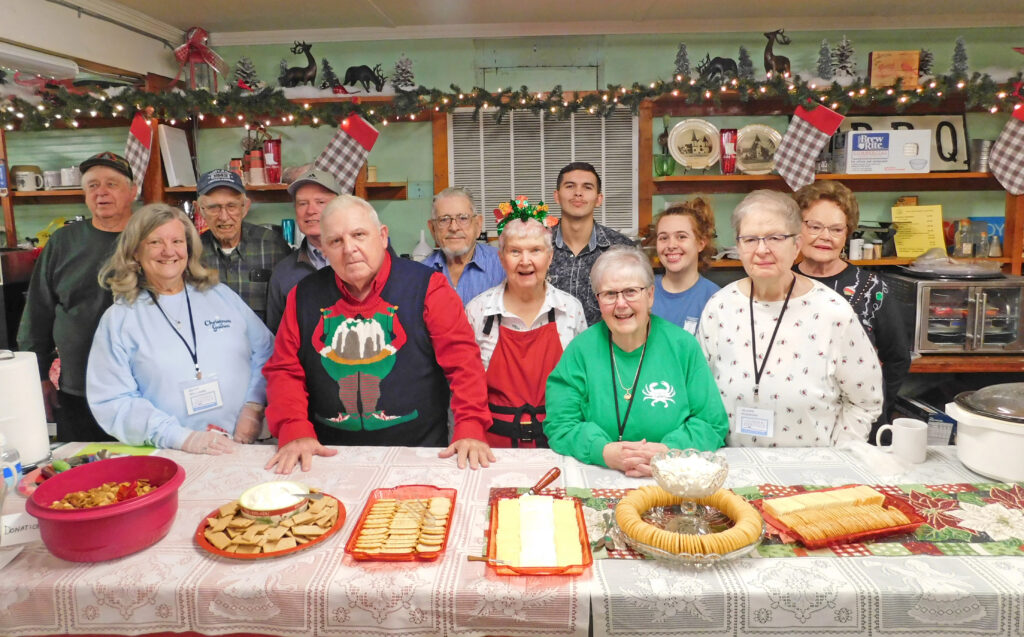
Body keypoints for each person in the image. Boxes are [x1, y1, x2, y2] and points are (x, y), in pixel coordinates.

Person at [263, 194, 495, 473]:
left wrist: (470, 427)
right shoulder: (302, 296)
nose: (349, 249)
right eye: (336, 241)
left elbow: (464, 365)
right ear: (324, 248)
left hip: (420, 457)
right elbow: (284, 370)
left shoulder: (429, 287)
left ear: (383, 236)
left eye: (359, 235)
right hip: (328, 460)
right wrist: (294, 429)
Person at [697, 190, 883, 447]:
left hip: (812, 474)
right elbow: (698, 394)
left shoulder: (833, 313)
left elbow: (865, 401)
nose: (762, 250)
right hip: (731, 465)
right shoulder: (719, 307)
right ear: (738, 247)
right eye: (750, 239)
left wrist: (838, 458)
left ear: (796, 244)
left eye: (775, 238)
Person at [87, 204, 274, 454]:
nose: (168, 251)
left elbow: (267, 351)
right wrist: (181, 438)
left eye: (177, 240)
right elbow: (113, 401)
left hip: (246, 443)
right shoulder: (120, 319)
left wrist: (254, 406)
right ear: (134, 253)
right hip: (174, 453)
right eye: (155, 242)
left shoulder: (220, 296)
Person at [544, 245, 729, 477]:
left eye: (631, 291)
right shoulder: (580, 350)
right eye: (610, 294)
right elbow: (560, 424)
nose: (621, 304)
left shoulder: (683, 347)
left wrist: (667, 451)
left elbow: (711, 423)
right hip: (599, 472)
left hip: (672, 474)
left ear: (650, 295)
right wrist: (603, 451)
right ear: (598, 300)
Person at [17, 151, 138, 442]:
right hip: (77, 389)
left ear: (133, 191)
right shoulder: (63, 242)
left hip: (143, 390)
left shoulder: (151, 238)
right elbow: (38, 312)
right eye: (93, 185)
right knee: (83, 473)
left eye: (112, 184)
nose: (102, 193)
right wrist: (39, 377)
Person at [794, 180, 911, 445]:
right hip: (797, 424)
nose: (825, 236)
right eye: (814, 226)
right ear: (796, 228)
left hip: (856, 428)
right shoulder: (781, 283)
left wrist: (878, 410)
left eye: (836, 229)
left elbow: (897, 358)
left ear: (847, 234)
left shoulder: (871, 288)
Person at [465, 198, 587, 448]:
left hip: (558, 442)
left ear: (550, 257)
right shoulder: (478, 310)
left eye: (535, 250)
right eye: (515, 251)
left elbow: (584, 387)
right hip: (492, 446)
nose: (525, 261)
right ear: (501, 257)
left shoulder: (570, 309)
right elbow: (465, 388)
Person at [197, 169, 291, 324]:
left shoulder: (272, 245)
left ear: (245, 207)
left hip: (266, 346)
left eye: (232, 206)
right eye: (214, 207)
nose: (224, 216)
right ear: (200, 210)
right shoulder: (190, 252)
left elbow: (289, 311)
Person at [547, 162, 634, 325]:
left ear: (598, 199)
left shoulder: (621, 249)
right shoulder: (537, 245)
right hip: (548, 346)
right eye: (570, 186)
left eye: (587, 187)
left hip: (603, 347)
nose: (578, 193)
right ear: (557, 196)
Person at [266, 169, 341, 332]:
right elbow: (276, 339)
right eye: (302, 203)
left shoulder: (362, 259)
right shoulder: (283, 273)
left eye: (320, 202)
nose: (310, 210)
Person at [422, 186, 505, 305]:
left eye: (463, 218)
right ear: (432, 229)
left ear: (478, 224)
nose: (454, 227)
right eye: (444, 220)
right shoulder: (420, 274)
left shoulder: (503, 265)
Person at [651, 197, 720, 334]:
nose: (671, 245)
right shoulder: (641, 291)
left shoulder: (716, 299)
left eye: (681, 237)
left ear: (701, 243)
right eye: (663, 238)